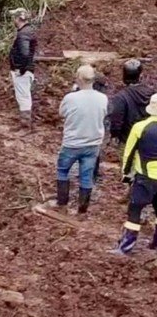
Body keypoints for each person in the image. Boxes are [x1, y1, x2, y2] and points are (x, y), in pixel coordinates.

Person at [55, 65, 108, 214]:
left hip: (72, 143)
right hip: (93, 143)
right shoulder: (102, 98)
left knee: (62, 171)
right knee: (86, 176)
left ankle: (62, 204)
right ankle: (82, 210)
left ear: (78, 78)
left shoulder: (70, 98)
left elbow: (61, 113)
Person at [114, 94, 157, 254]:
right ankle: (154, 245)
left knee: (135, 209)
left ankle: (125, 247)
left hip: (145, 177)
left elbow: (129, 152)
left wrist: (126, 173)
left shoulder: (140, 127)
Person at [109, 59, 154, 144]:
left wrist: (115, 135)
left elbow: (117, 119)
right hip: (148, 137)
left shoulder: (121, 97)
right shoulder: (151, 92)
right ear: (140, 76)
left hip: (128, 139)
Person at [8, 8, 38, 128]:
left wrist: (20, 69)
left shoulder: (23, 34)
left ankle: (25, 124)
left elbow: (25, 54)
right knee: (24, 95)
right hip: (27, 69)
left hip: (23, 71)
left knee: (23, 96)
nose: (13, 20)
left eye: (14, 17)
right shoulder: (29, 31)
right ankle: (25, 122)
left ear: (18, 18)